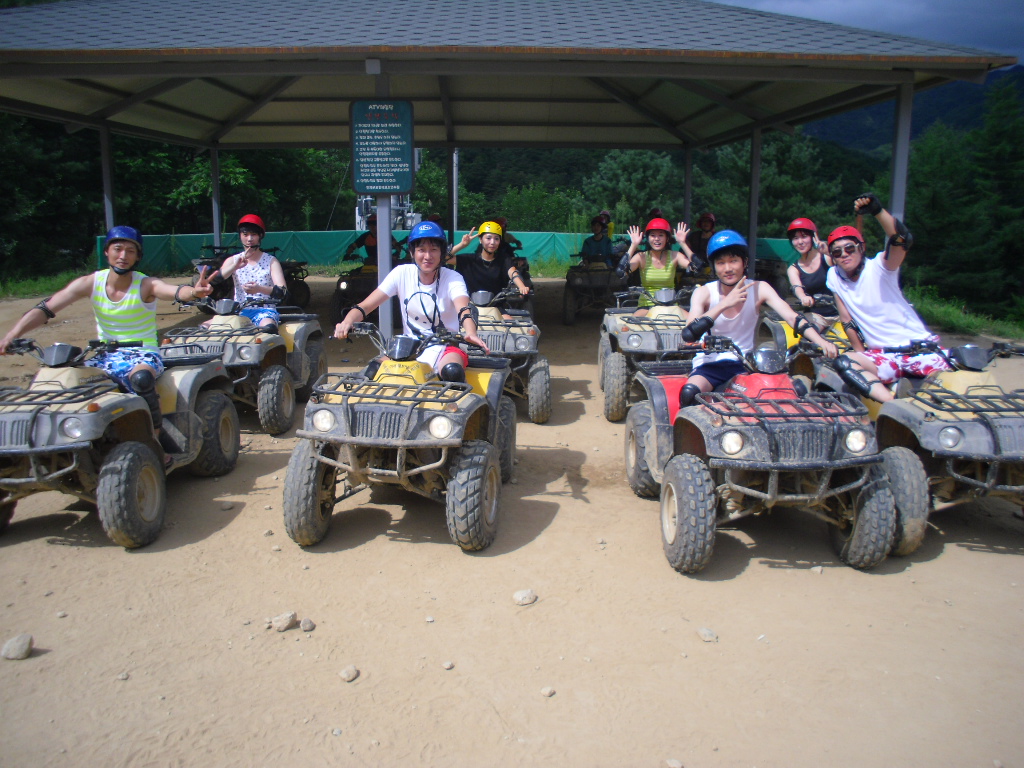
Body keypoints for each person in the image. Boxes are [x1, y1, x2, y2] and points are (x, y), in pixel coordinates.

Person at [0, 226, 213, 445]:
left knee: (141, 379)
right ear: (106, 252)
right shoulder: (91, 283)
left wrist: (192, 292)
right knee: (64, 381)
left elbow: (173, 291)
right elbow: (47, 308)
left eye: (130, 251)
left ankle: (155, 442)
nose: (123, 256)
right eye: (118, 249)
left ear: (138, 257)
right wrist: (12, 335)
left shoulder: (145, 284)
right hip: (104, 354)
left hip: (142, 354)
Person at [680, 230, 838, 406]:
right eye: (721, 263)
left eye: (733, 261)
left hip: (746, 364)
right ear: (714, 266)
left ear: (745, 262)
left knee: (794, 391)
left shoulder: (759, 288)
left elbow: (792, 316)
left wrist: (821, 342)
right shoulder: (704, 292)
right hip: (710, 364)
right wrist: (724, 304)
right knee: (689, 393)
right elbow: (689, 334)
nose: (728, 268)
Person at [825, 194, 948, 403]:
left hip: (919, 350)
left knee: (946, 388)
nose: (844, 254)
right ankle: (893, 406)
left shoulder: (880, 267)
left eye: (849, 248)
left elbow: (902, 239)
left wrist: (878, 212)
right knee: (844, 363)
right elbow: (847, 320)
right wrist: (861, 354)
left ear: (861, 248)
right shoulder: (834, 276)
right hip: (884, 356)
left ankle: (919, 389)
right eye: (837, 252)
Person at [334, 221, 488, 381]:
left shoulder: (453, 278)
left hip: (446, 346)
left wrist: (470, 332)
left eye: (434, 250)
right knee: (373, 370)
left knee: (452, 372)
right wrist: (347, 321)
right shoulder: (401, 273)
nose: (427, 256)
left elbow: (463, 309)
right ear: (412, 252)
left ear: (442, 252)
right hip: (409, 347)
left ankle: (456, 398)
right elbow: (365, 306)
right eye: (421, 250)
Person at [214, 214, 287, 333]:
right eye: (245, 234)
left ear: (260, 236)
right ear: (240, 236)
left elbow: (283, 292)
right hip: (239, 311)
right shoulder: (233, 260)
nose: (249, 239)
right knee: (208, 327)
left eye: (253, 234)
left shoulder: (271, 261)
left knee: (267, 328)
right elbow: (215, 279)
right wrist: (234, 266)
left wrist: (259, 289)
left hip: (264, 310)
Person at [618, 217, 694, 315]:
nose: (657, 239)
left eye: (661, 235)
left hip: (671, 306)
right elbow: (621, 272)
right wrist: (634, 245)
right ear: (648, 238)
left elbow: (697, 267)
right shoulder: (641, 256)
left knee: (693, 321)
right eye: (653, 235)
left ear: (667, 238)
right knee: (632, 322)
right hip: (647, 306)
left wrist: (682, 243)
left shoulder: (675, 255)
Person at [448, 220, 530, 304]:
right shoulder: (469, 260)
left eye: (496, 239)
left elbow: (513, 273)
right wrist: (462, 245)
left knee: (511, 313)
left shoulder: (504, 260)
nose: (492, 242)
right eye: (488, 238)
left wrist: (521, 286)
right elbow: (443, 258)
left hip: (495, 306)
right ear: (480, 239)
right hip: (470, 307)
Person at [785, 217, 836, 332]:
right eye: (795, 238)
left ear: (814, 237)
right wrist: (803, 297)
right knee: (810, 334)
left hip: (841, 314)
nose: (800, 242)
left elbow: (844, 267)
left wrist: (828, 252)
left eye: (804, 236)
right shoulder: (793, 269)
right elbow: (797, 287)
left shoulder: (827, 258)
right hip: (816, 316)